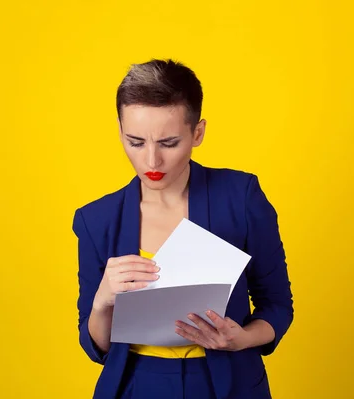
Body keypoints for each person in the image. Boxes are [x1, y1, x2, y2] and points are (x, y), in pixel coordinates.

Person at [72, 58, 294, 399]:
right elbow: (96, 347)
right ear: (119, 131)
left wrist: (242, 339)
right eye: (135, 142)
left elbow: (277, 305)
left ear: (198, 133)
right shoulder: (96, 220)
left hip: (226, 382)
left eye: (168, 143)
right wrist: (102, 301)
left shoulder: (241, 197)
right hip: (134, 385)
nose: (151, 162)